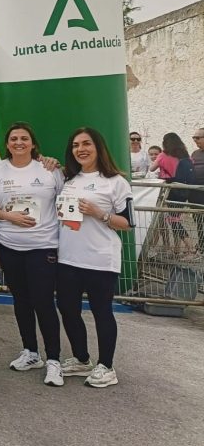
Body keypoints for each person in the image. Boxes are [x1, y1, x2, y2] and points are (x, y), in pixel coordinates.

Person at [0, 122, 65, 386]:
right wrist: (9, 216)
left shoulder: (48, 169)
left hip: (42, 245)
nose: (18, 142)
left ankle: (54, 359)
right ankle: (31, 352)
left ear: (33, 143)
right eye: (13, 139)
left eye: (24, 138)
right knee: (21, 301)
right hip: (9, 245)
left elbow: (65, 201)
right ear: (7, 144)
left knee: (43, 302)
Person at [56, 127, 133, 388]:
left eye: (86, 143)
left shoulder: (115, 182)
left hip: (100, 259)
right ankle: (81, 358)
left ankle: (106, 366)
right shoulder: (69, 180)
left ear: (98, 147)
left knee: (102, 312)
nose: (81, 149)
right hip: (68, 258)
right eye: (76, 145)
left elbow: (127, 223)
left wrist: (99, 213)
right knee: (67, 310)